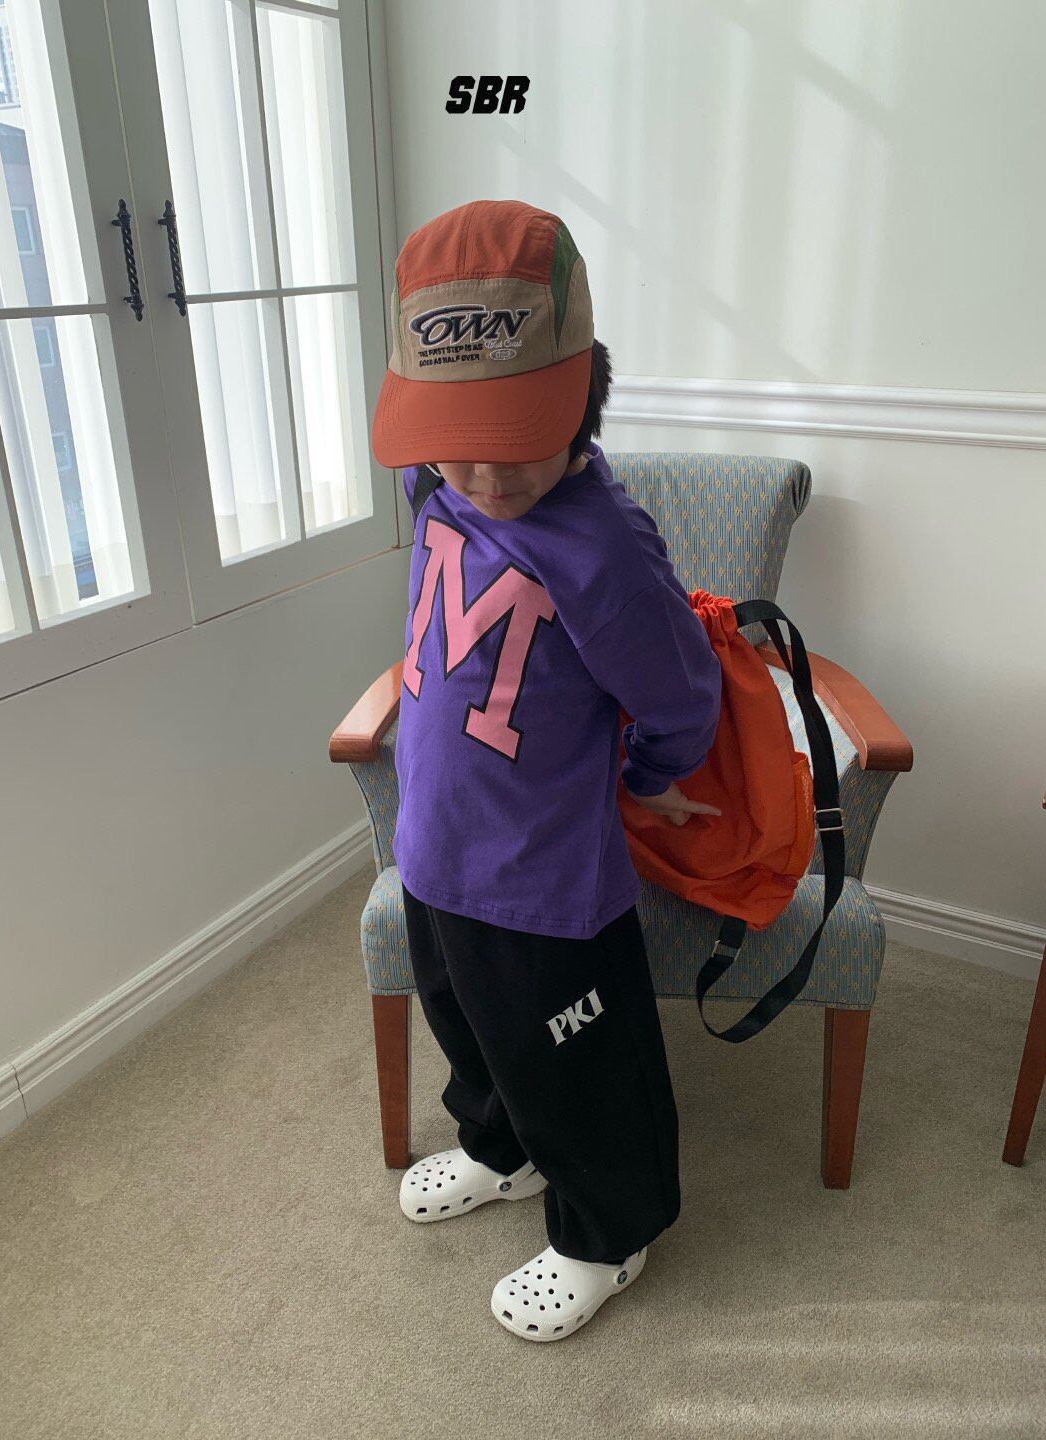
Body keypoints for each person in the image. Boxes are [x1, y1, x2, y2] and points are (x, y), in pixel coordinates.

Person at [369, 198, 723, 1342]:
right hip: (435, 848)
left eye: (515, 433)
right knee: (471, 1027)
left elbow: (681, 690)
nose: (483, 470)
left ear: (580, 395)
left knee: (579, 1065)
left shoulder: (604, 545)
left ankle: (607, 1231)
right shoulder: (437, 491)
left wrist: (653, 773)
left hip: (546, 880)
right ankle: (499, 1145)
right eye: (456, 435)